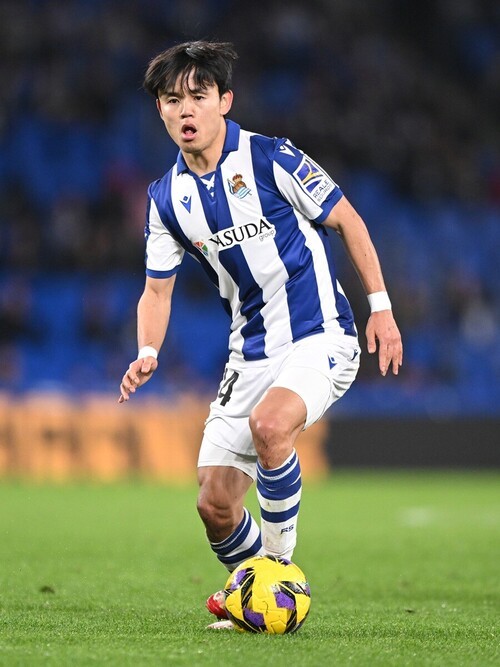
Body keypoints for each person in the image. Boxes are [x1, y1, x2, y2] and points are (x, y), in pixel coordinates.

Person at [118, 40, 403, 629]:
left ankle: (279, 578)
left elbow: (348, 220)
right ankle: (254, 593)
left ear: (225, 100)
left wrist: (381, 307)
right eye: (172, 99)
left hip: (320, 334)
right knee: (215, 505)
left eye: (198, 95)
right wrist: (147, 350)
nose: (186, 109)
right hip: (249, 352)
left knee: (271, 427)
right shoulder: (165, 199)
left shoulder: (273, 158)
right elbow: (156, 291)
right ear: (160, 110)